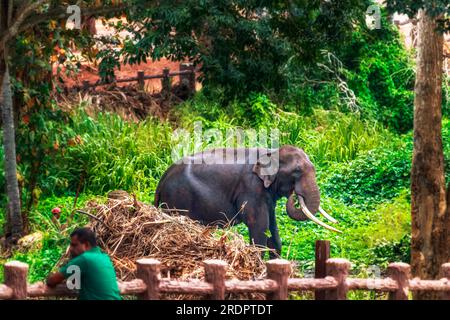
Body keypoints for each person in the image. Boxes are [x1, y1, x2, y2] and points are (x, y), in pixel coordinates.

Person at [46, 227, 121, 300]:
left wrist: (49, 277)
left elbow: (52, 281)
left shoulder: (84, 259)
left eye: (74, 245)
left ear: (86, 245)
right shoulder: (104, 257)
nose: (71, 249)